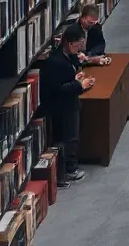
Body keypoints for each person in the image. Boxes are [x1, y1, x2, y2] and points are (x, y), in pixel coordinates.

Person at [41, 22, 95, 184]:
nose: (81, 49)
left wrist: (76, 76)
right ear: (70, 43)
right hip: (63, 107)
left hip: (68, 103)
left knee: (71, 137)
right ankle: (69, 170)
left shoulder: (65, 56)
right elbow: (57, 89)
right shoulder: (55, 62)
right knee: (70, 138)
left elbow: (67, 75)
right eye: (79, 45)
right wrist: (79, 85)